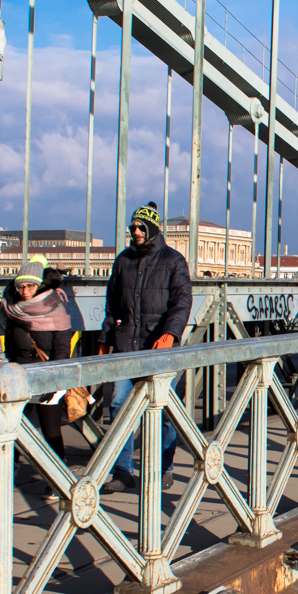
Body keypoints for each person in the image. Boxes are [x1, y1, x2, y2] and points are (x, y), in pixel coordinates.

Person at [100, 203, 192, 493]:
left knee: (166, 409)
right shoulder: (123, 260)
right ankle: (123, 470)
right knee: (118, 405)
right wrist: (105, 337)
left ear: (152, 229)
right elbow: (112, 304)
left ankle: (164, 466)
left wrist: (171, 333)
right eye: (133, 228)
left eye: (142, 228)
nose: (136, 232)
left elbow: (182, 302)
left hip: (160, 346)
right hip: (127, 343)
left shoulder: (174, 260)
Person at [2, 255, 74, 460]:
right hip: (21, 374)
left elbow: (62, 349)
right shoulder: (13, 311)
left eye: (30, 286)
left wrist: (54, 380)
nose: (24, 292)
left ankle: (57, 479)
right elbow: (9, 348)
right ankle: (10, 471)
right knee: (12, 429)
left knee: (50, 431)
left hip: (48, 373)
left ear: (40, 285)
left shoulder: (57, 309)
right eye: (21, 287)